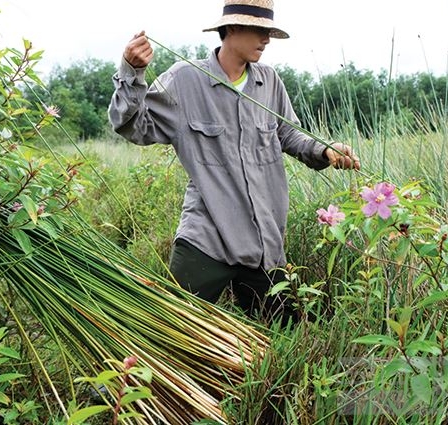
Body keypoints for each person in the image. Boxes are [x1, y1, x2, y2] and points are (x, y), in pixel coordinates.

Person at [109, 0, 360, 322]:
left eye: (268, 32)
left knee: (283, 330)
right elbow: (134, 127)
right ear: (232, 29)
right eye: (259, 31)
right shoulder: (185, 79)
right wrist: (132, 72)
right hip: (207, 233)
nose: (266, 39)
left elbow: (289, 135)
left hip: (263, 236)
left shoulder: (269, 81)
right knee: (177, 325)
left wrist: (326, 150)